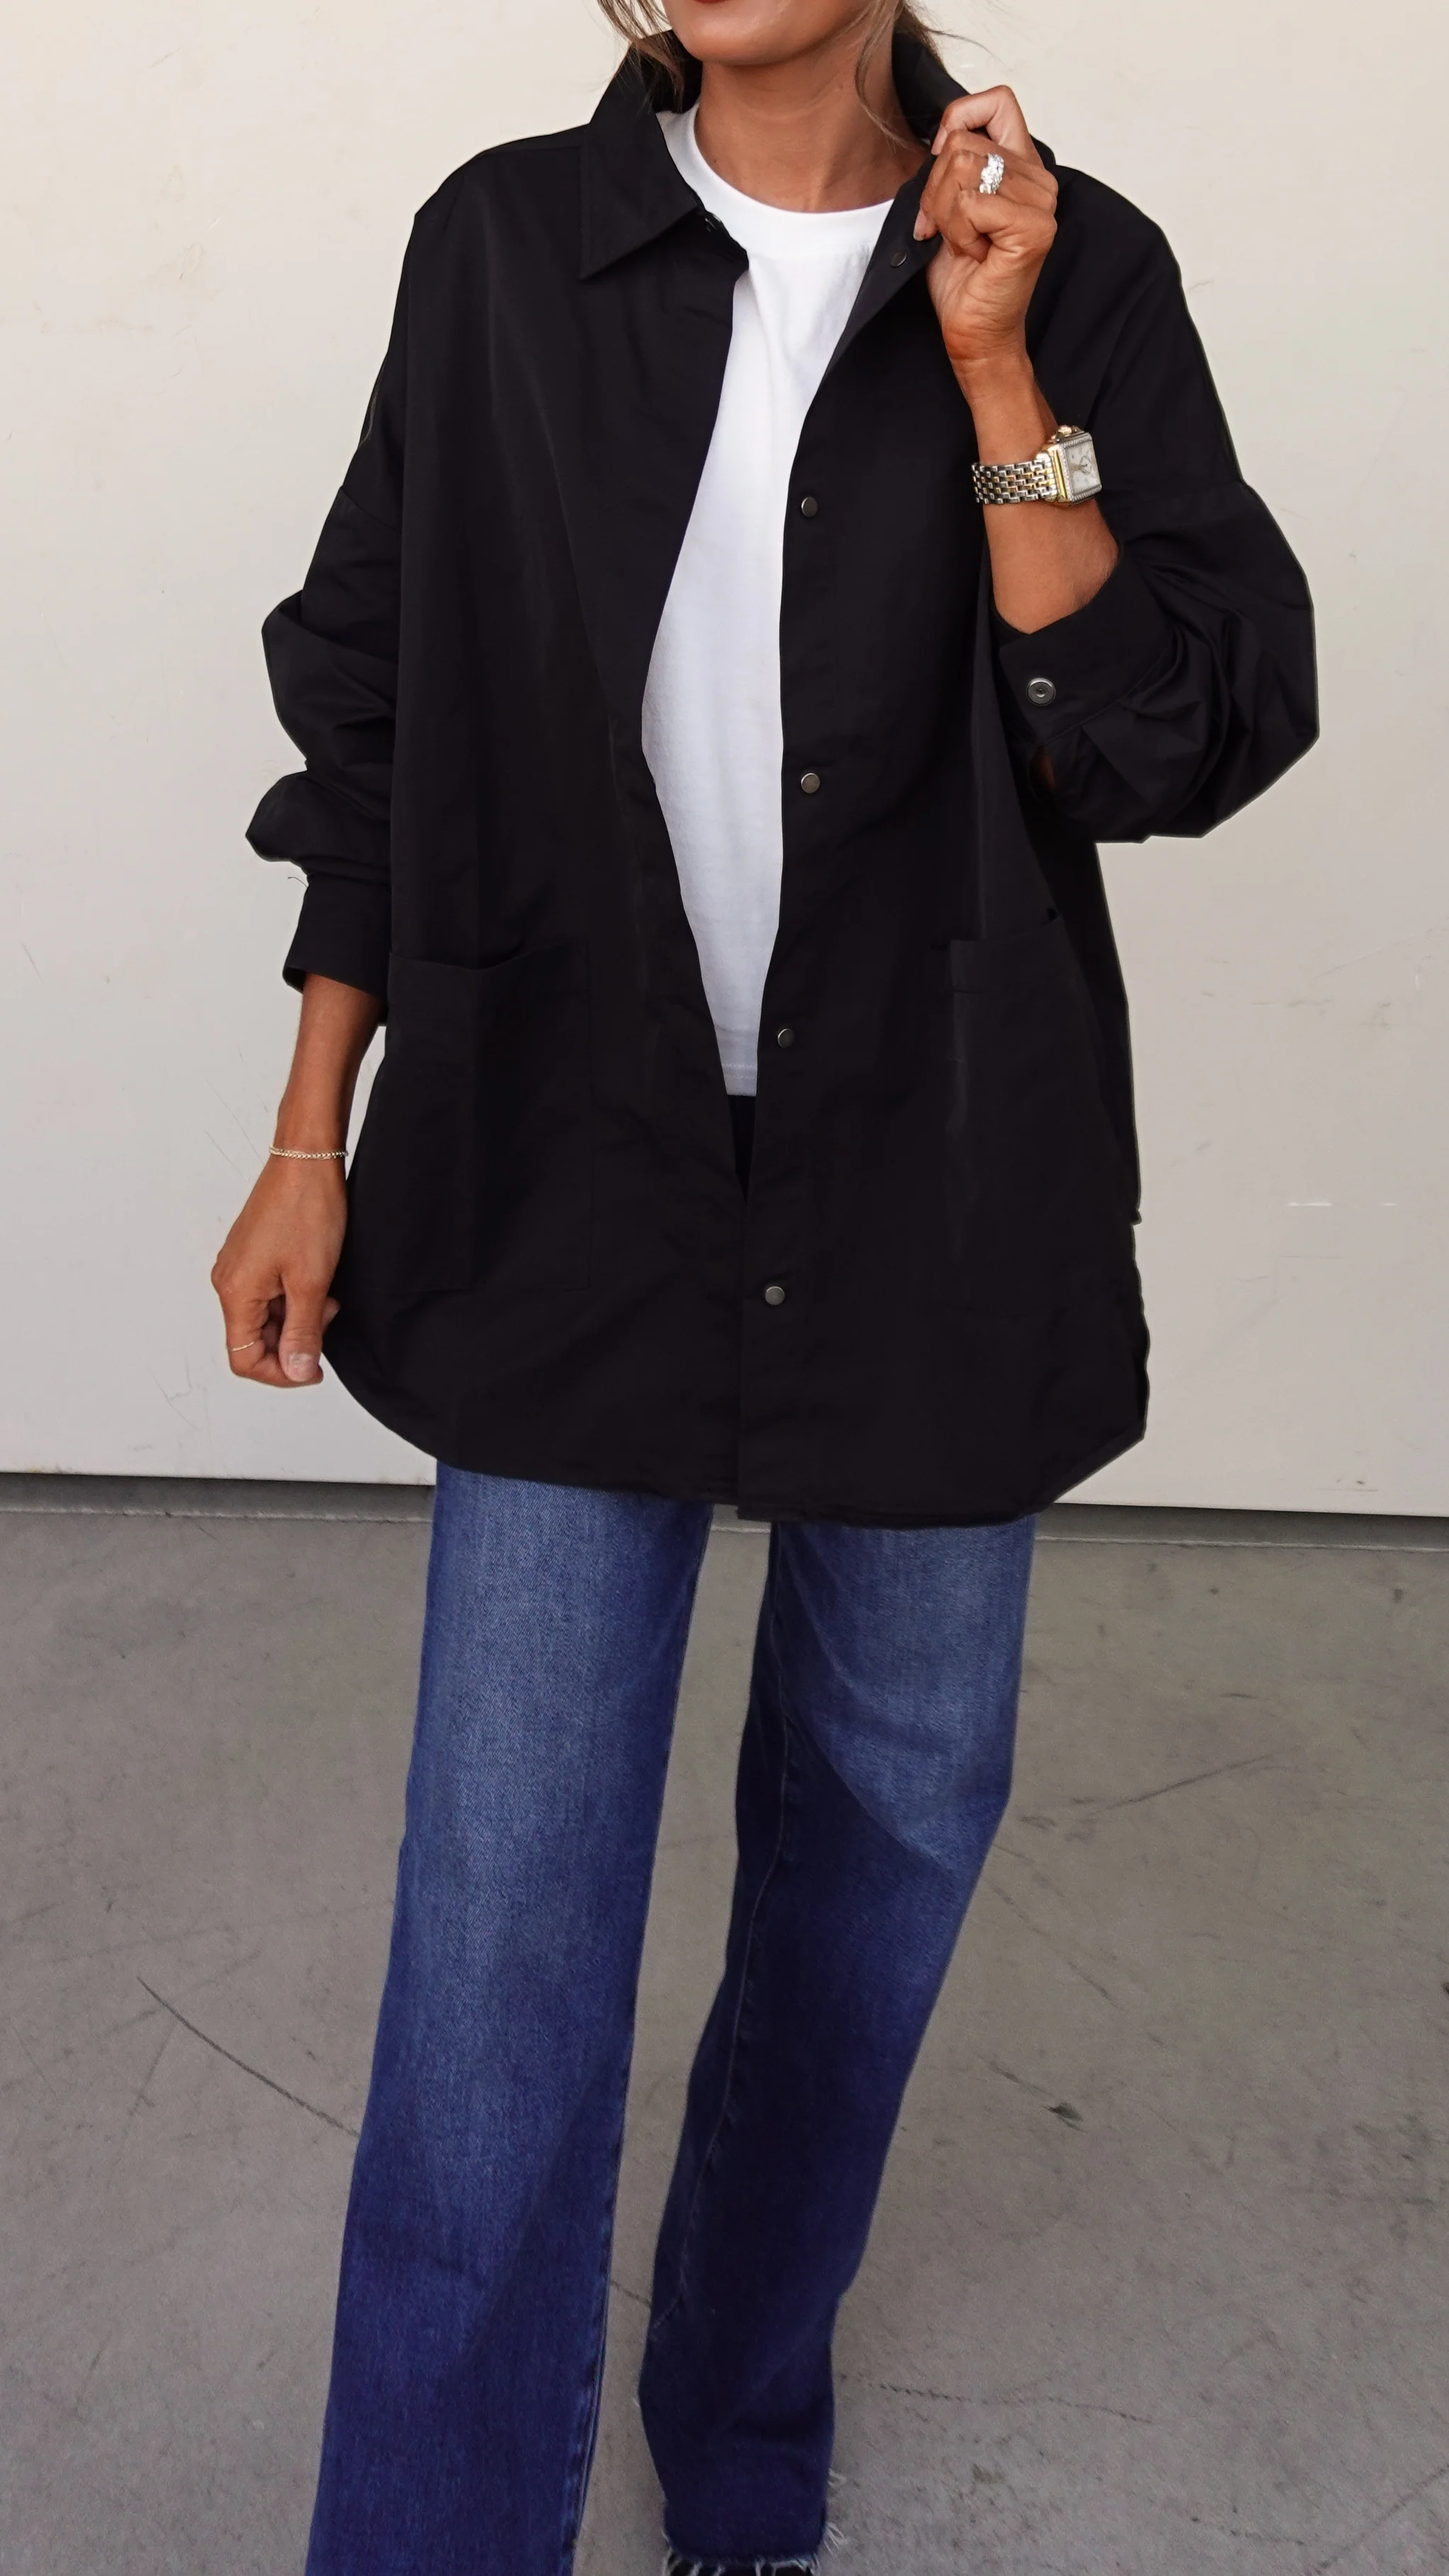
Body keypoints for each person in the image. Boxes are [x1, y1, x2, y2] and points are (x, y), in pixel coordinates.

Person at [212, 2, 1316, 2567]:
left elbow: (1165, 740)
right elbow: (372, 700)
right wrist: (304, 1132)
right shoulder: (505, 245)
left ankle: (737, 2432)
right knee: (495, 1958)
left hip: (934, 1193)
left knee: (872, 1875)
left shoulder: (1073, 268)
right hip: (560, 1175)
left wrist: (996, 366)